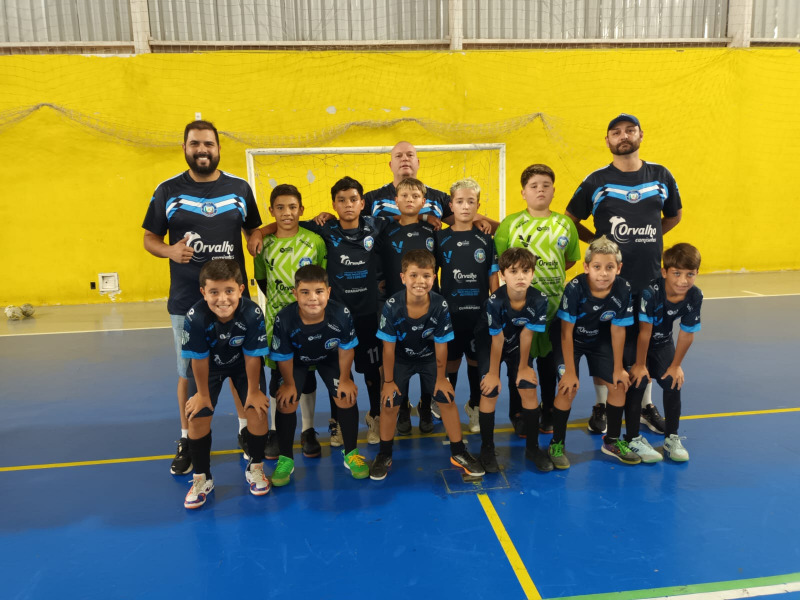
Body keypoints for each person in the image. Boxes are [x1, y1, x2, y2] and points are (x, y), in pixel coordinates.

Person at [142, 120, 262, 476]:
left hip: (234, 301)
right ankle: (186, 437)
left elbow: (253, 228)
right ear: (185, 148)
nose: (202, 150)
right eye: (195, 144)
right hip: (186, 301)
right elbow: (149, 238)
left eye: (208, 143)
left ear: (218, 148)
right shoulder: (167, 190)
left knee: (239, 368)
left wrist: (256, 239)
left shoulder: (239, 188)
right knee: (187, 372)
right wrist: (168, 250)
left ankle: (245, 429)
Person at [248, 177, 389, 446]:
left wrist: (430, 218)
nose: (348, 205)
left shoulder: (376, 226)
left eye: (353, 199)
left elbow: (406, 220)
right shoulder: (325, 228)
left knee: (371, 370)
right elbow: (286, 223)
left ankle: (375, 416)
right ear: (333, 205)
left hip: (367, 314)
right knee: (336, 372)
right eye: (341, 200)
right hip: (332, 318)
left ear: (362, 203)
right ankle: (336, 422)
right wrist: (258, 232)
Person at [566, 114, 682, 437]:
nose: (623, 136)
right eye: (616, 133)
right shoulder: (596, 180)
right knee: (607, 345)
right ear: (607, 141)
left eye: (630, 131)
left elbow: (674, 216)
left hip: (649, 280)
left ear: (641, 135)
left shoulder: (660, 175)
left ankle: (645, 406)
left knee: (646, 345)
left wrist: (650, 237)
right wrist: (598, 242)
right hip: (608, 284)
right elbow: (571, 218)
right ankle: (602, 405)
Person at [370, 250, 484, 480]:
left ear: (434, 278)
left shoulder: (440, 304)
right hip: (401, 359)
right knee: (390, 403)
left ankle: (458, 452)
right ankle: (384, 453)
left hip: (429, 358)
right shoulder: (392, 306)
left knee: (446, 399)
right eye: (413, 275)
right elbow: (388, 349)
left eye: (426, 276)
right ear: (403, 277)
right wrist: (389, 381)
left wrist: (441, 378)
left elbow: (442, 345)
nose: (420, 281)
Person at [494, 164, 581, 438]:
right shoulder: (510, 224)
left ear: (554, 190)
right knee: (519, 362)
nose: (540, 190)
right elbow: (500, 265)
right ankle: (519, 412)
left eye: (546, 185)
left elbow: (569, 260)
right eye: (533, 186)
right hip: (520, 308)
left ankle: (548, 409)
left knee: (549, 363)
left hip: (555, 309)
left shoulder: (565, 224)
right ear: (523, 192)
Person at [180, 259, 270, 509]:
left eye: (229, 290)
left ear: (241, 289)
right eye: (214, 292)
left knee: (258, 412)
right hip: (208, 367)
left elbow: (252, 357)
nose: (222, 299)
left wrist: (253, 391)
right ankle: (202, 478)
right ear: (203, 292)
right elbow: (198, 359)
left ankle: (256, 467)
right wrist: (202, 395)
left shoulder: (252, 313)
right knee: (197, 416)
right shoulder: (195, 317)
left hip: (242, 365)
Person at [269, 265, 367, 485]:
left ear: (328, 292)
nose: (312, 298)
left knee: (346, 395)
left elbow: (346, 349)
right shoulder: (284, 318)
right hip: (296, 361)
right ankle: (285, 459)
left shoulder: (340, 313)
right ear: (295, 293)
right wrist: (289, 384)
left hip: (329, 358)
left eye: (319, 291)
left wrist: (345, 379)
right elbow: (283, 356)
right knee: (286, 401)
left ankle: (351, 453)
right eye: (305, 292)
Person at [253, 184, 327, 459]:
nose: (287, 213)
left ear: (301, 210)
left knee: (307, 376)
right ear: (271, 211)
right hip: (276, 324)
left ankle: (308, 429)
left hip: (310, 322)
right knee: (278, 378)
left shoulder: (314, 241)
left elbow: (321, 281)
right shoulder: (263, 244)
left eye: (293, 207)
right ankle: (275, 430)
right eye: (280, 208)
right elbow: (262, 280)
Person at [553, 236, 640, 468]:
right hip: (571, 340)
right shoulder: (574, 288)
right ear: (586, 267)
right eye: (597, 267)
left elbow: (618, 330)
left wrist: (618, 368)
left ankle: (611, 441)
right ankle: (556, 444)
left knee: (619, 384)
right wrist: (570, 372)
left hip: (599, 340)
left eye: (609, 267)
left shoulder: (623, 288)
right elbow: (565, 333)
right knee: (568, 388)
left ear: (618, 268)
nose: (603, 273)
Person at [474, 248, 551, 472]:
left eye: (526, 271)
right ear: (502, 275)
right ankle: (487, 449)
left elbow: (527, 334)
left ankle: (532, 448)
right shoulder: (495, 301)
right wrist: (493, 373)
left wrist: (524, 367)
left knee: (528, 387)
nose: (520, 277)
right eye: (513, 271)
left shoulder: (539, 299)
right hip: (490, 342)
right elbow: (496, 339)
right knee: (490, 390)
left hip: (516, 341)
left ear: (533, 274)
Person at [626, 243, 703, 462]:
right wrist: (640, 365)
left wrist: (676, 366)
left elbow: (687, 334)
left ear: (697, 273)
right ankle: (632, 438)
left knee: (672, 381)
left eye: (690, 274)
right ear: (664, 272)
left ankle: (671, 438)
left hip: (662, 342)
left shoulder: (695, 295)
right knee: (638, 381)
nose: (683, 280)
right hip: (636, 341)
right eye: (677, 273)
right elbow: (644, 332)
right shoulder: (650, 293)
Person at [435, 178, 500, 434]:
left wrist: (496, 307)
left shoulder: (486, 239)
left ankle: (474, 405)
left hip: (478, 316)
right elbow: (431, 275)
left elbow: (493, 276)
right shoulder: (439, 238)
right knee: (450, 364)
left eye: (470, 201)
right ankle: (447, 405)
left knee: (475, 362)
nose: (465, 206)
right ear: (451, 205)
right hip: (450, 316)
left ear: (478, 206)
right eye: (460, 201)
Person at [376, 177, 439, 435]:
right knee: (398, 360)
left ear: (424, 202)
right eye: (404, 196)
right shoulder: (386, 231)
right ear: (396, 201)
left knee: (427, 358)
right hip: (396, 310)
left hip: (428, 309)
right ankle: (401, 406)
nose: (410, 200)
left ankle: (425, 405)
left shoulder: (432, 231)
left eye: (415, 196)